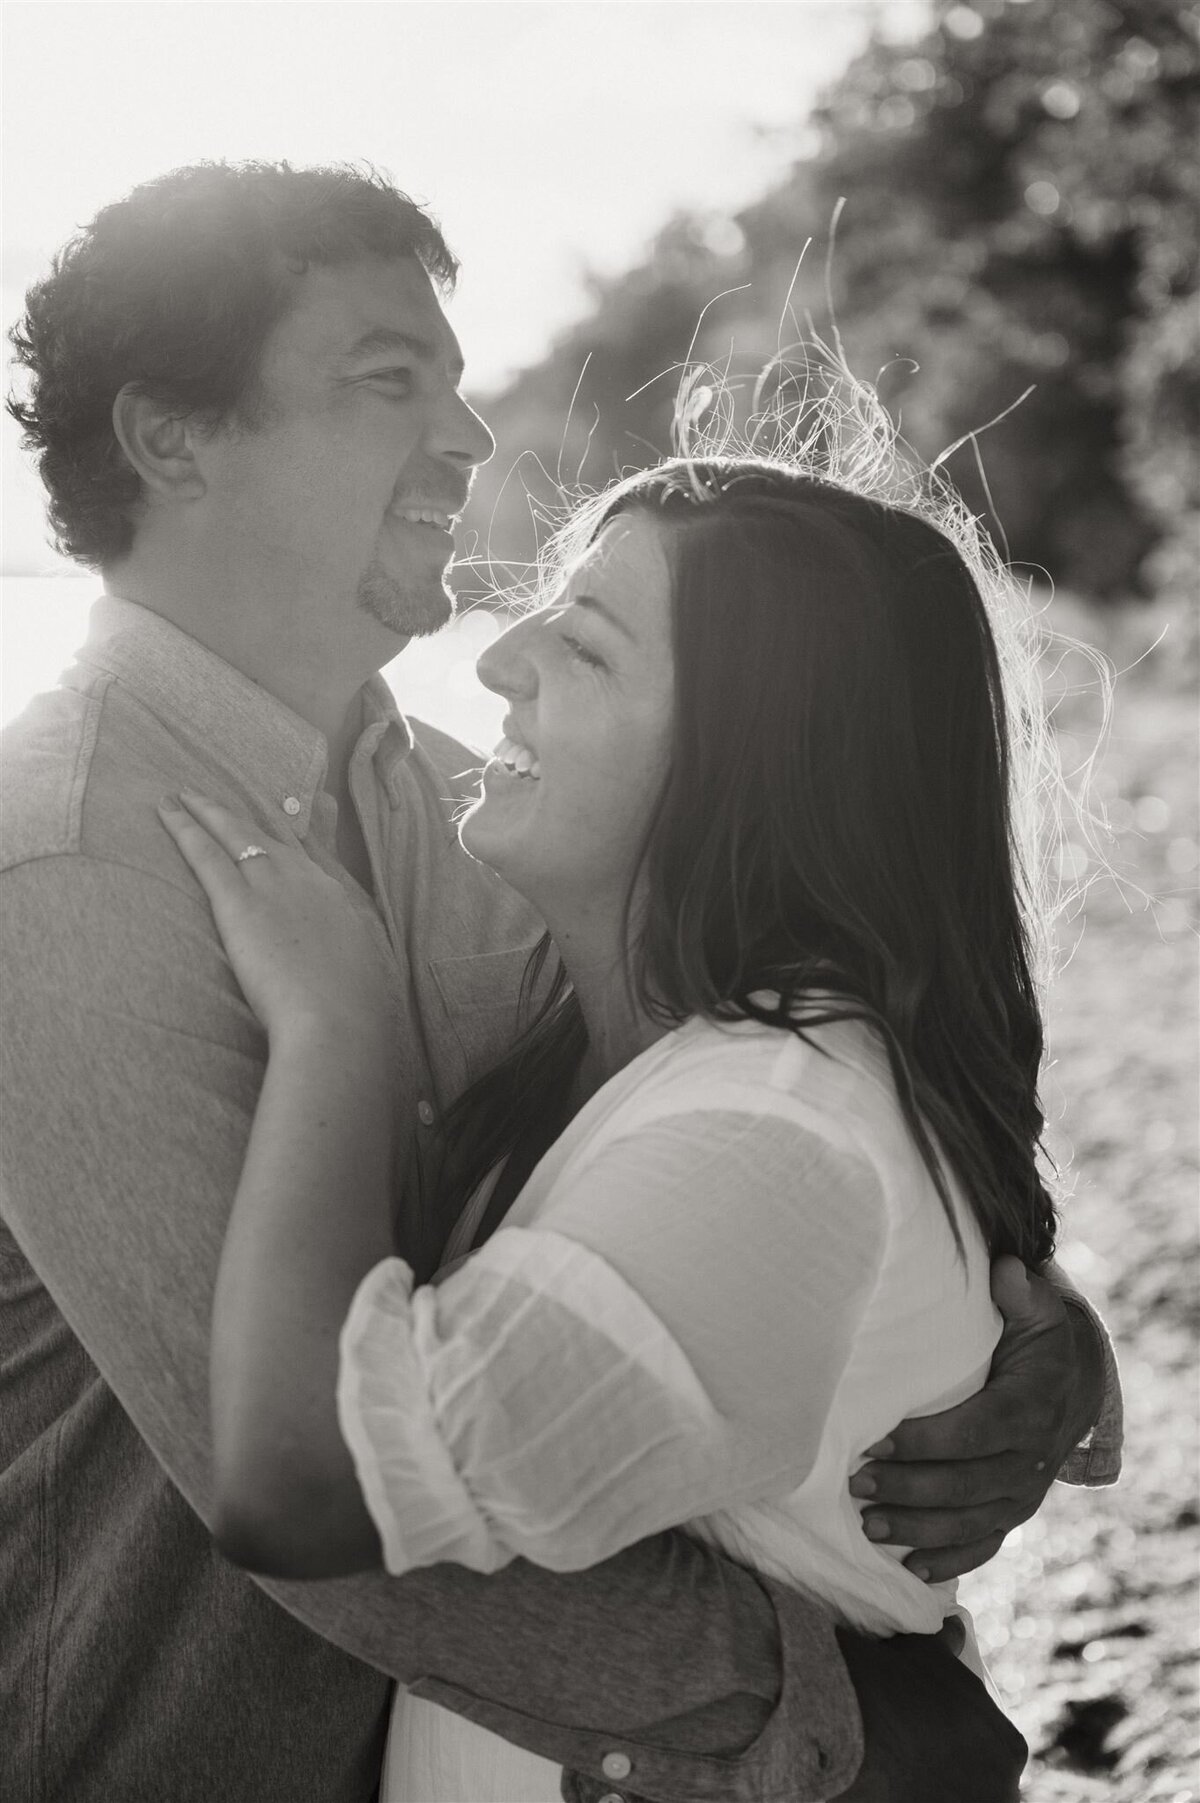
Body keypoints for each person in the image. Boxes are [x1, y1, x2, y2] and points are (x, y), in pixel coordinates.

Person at [0, 161, 1120, 1803]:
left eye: (455, 383)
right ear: (173, 438)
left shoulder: (480, 810)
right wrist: (830, 1713)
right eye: (390, 384)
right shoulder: (68, 871)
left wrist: (1026, 1338)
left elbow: (736, 1154)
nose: (464, 441)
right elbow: (323, 1520)